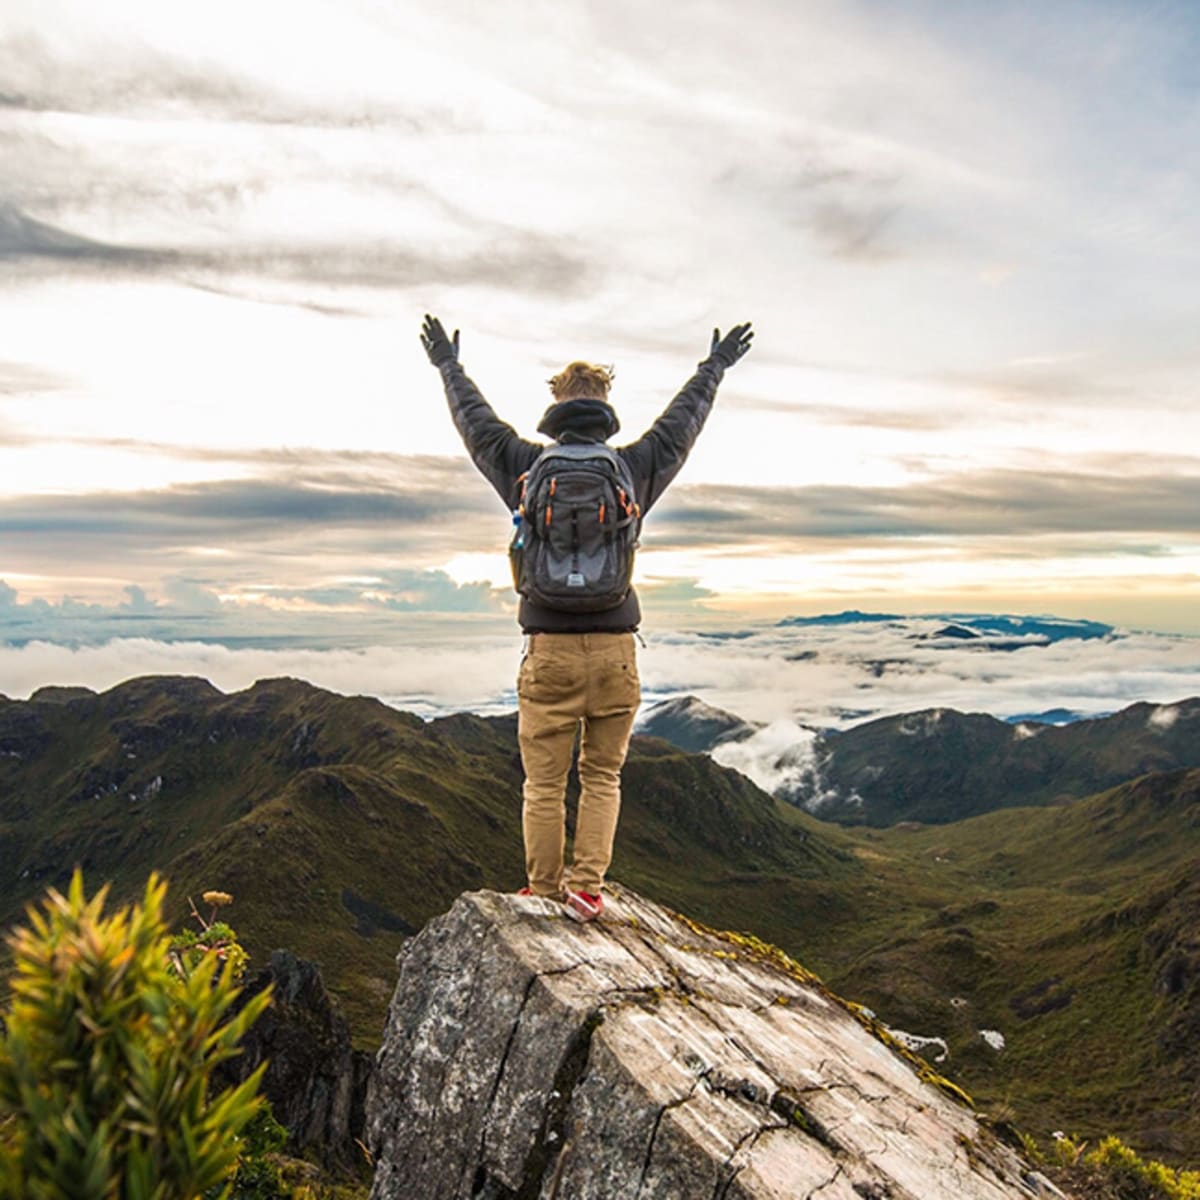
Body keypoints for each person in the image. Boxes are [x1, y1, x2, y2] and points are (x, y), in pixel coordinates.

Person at [420, 313, 754, 921]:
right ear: (605, 409)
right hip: (614, 650)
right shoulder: (634, 467)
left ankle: (544, 891)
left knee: (543, 783)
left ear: (555, 407)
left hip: (547, 649)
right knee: (602, 775)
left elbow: (477, 426)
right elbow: (682, 426)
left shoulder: (522, 465)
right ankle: (587, 889)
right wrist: (714, 367)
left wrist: (448, 365)